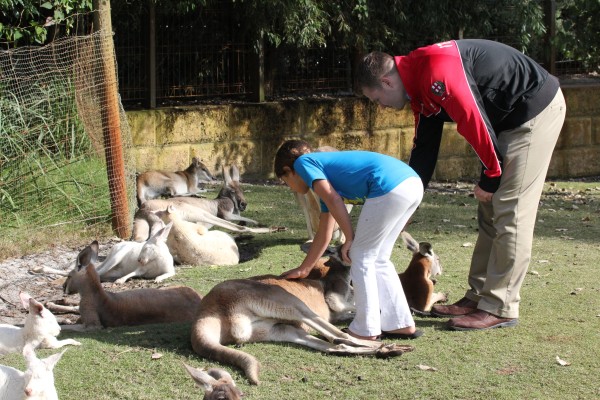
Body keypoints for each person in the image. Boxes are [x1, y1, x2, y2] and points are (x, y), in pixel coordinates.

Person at [356, 39, 566, 331]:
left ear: (386, 81)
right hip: (504, 122)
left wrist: (491, 178)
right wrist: (404, 203)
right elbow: (424, 149)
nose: (383, 107)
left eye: (377, 99)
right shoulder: (417, 83)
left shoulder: (435, 72)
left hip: (532, 112)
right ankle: (479, 296)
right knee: (489, 211)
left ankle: (500, 306)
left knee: (510, 211)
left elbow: (474, 120)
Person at [274, 139, 424, 341]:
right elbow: (324, 233)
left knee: (361, 256)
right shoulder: (326, 180)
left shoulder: (303, 162)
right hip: (411, 183)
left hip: (389, 185)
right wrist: (305, 268)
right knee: (378, 258)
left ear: (288, 169)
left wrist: (350, 239)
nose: (290, 188)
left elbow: (335, 201)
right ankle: (400, 324)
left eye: (286, 181)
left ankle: (365, 329)